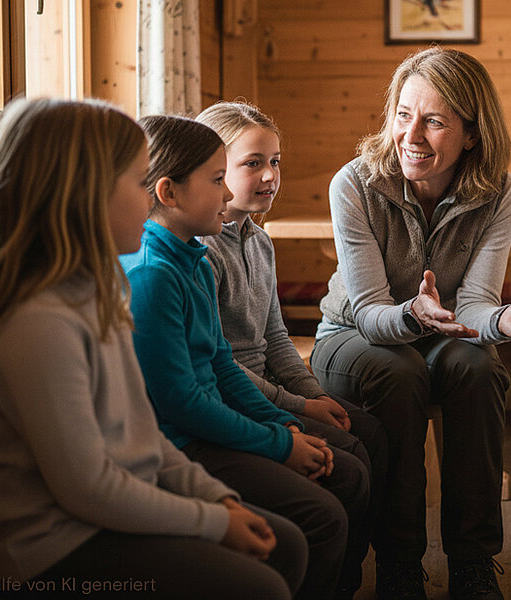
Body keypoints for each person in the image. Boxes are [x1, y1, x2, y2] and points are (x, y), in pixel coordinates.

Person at [0, 98, 307, 598]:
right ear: (83, 194)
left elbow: (143, 435)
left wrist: (215, 498)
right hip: (44, 548)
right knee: (260, 583)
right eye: (140, 182)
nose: (151, 200)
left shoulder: (97, 290)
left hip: (111, 502)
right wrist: (210, 521)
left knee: (286, 544)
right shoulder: (35, 323)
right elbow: (87, 488)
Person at [309, 46, 511, 600]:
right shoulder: (354, 183)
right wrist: (413, 314)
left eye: (434, 121)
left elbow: (476, 303)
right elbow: (365, 310)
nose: (412, 134)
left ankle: (474, 563)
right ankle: (400, 564)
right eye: (404, 115)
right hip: (352, 337)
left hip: (445, 333)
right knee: (398, 371)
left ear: (472, 134)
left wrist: (503, 321)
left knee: (477, 367)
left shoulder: (498, 190)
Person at [121, 114, 369, 600]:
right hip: (185, 442)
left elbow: (218, 364)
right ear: (169, 193)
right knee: (324, 511)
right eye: (219, 180)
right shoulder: (154, 273)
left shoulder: (188, 254)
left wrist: (285, 425)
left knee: (352, 461)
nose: (227, 195)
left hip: (212, 424)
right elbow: (183, 402)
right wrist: (279, 440)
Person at [195, 100, 388, 598]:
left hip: (275, 388)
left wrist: (313, 395)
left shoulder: (259, 242)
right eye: (252, 163)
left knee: (368, 431)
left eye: (275, 161)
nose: (269, 176)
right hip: (238, 397)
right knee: (348, 460)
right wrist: (299, 407)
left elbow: (277, 339)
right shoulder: (201, 251)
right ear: (214, 171)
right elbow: (221, 365)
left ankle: (363, 571)